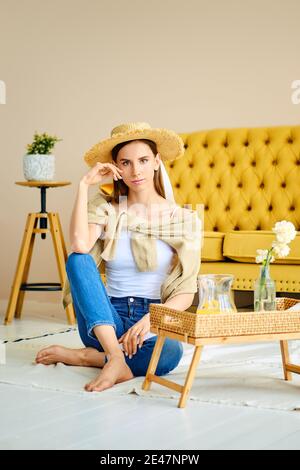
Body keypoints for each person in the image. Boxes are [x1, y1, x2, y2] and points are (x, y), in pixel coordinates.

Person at [35, 122, 202, 392]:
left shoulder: (183, 219)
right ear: (115, 167)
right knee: (78, 259)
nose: (136, 171)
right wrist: (84, 185)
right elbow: (79, 244)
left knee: (170, 353)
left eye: (144, 160)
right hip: (106, 319)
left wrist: (152, 321)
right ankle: (113, 356)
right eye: (126, 162)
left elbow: (186, 292)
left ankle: (86, 358)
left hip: (151, 316)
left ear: (157, 162)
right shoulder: (107, 208)